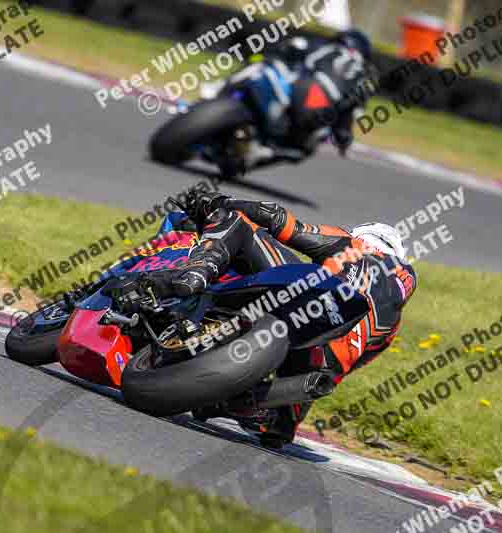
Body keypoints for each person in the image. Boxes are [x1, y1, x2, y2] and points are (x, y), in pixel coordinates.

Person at [143, 189, 417, 446]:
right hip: (305, 379)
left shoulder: (355, 246)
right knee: (300, 401)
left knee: (238, 223)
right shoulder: (391, 328)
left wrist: (218, 205)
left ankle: (196, 273)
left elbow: (276, 217)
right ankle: (279, 422)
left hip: (305, 313)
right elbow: (339, 367)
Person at [260, 29, 374, 160]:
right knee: (310, 138)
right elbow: (349, 114)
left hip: (304, 87)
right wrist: (344, 140)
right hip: (325, 110)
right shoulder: (364, 77)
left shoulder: (327, 47)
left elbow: (295, 48)